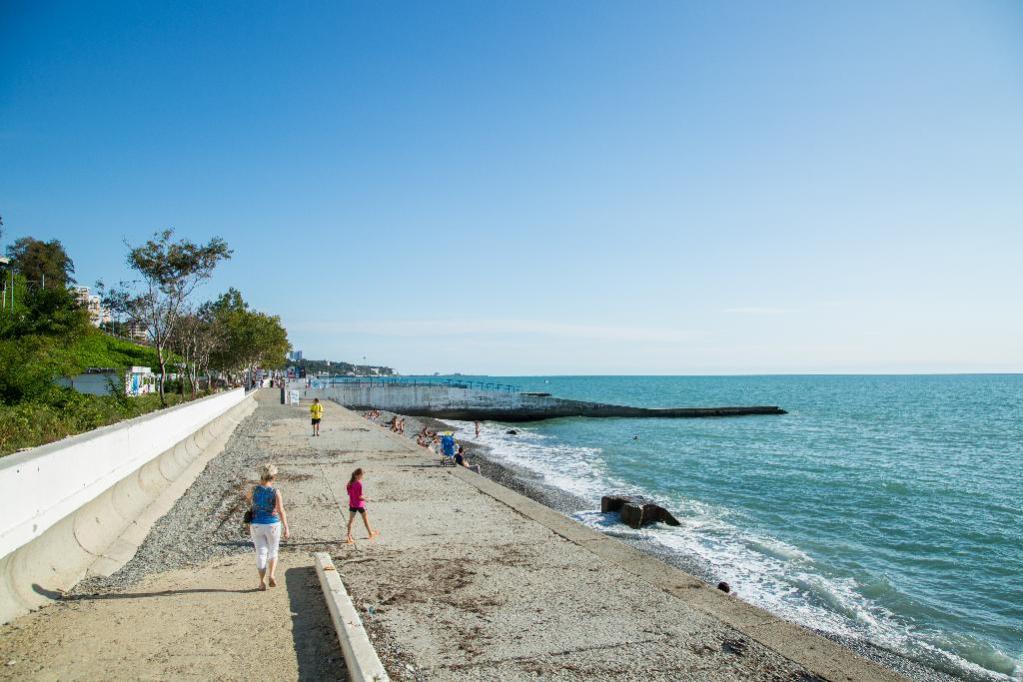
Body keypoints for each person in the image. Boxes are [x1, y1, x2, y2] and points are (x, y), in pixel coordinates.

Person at [247, 463, 290, 591]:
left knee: (261, 552)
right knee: (273, 550)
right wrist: (287, 528)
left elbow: (248, 500)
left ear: (262, 475)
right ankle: (271, 575)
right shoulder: (275, 492)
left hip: (256, 524)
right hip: (272, 524)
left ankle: (261, 582)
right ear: (274, 477)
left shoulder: (254, 489)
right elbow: (281, 510)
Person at [345, 468, 380, 544]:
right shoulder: (359, 484)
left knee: (351, 521)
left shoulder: (349, 484)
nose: (362, 477)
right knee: (365, 519)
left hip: (352, 504)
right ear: (357, 475)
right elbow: (359, 497)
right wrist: (367, 498)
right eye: (361, 475)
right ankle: (370, 533)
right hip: (360, 505)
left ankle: (348, 537)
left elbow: (350, 494)